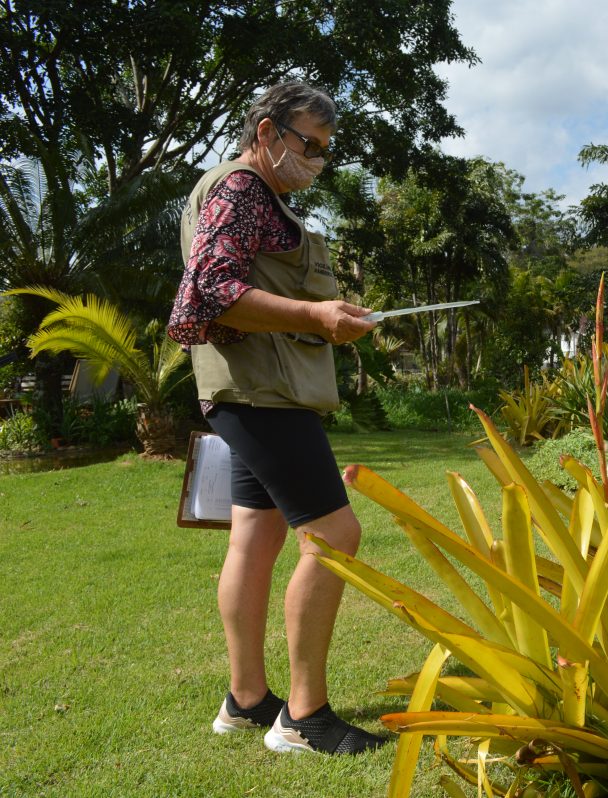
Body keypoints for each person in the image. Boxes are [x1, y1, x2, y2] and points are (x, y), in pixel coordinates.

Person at [168, 81, 384, 755]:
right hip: (262, 394)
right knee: (335, 534)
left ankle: (247, 700)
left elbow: (239, 283)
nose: (317, 160)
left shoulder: (248, 194)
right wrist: (316, 315)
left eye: (325, 150)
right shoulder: (243, 190)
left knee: (254, 541)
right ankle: (304, 718)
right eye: (308, 144)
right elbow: (212, 288)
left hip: (246, 390)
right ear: (266, 132)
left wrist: (326, 315)